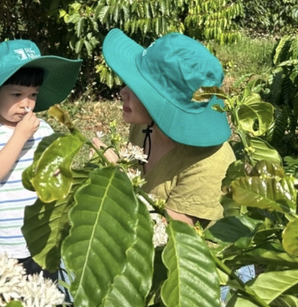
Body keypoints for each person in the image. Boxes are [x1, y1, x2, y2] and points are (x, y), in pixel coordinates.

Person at [95, 29, 236, 226]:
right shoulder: (144, 125)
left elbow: (168, 235)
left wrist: (119, 176)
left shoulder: (209, 163)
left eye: (139, 89)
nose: (123, 92)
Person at [0, 40, 81, 276]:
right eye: (16, 94)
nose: (26, 105)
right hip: (3, 242)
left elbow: (55, 171)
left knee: (45, 300)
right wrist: (19, 136)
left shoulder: (44, 130)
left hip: (42, 237)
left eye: (33, 95)